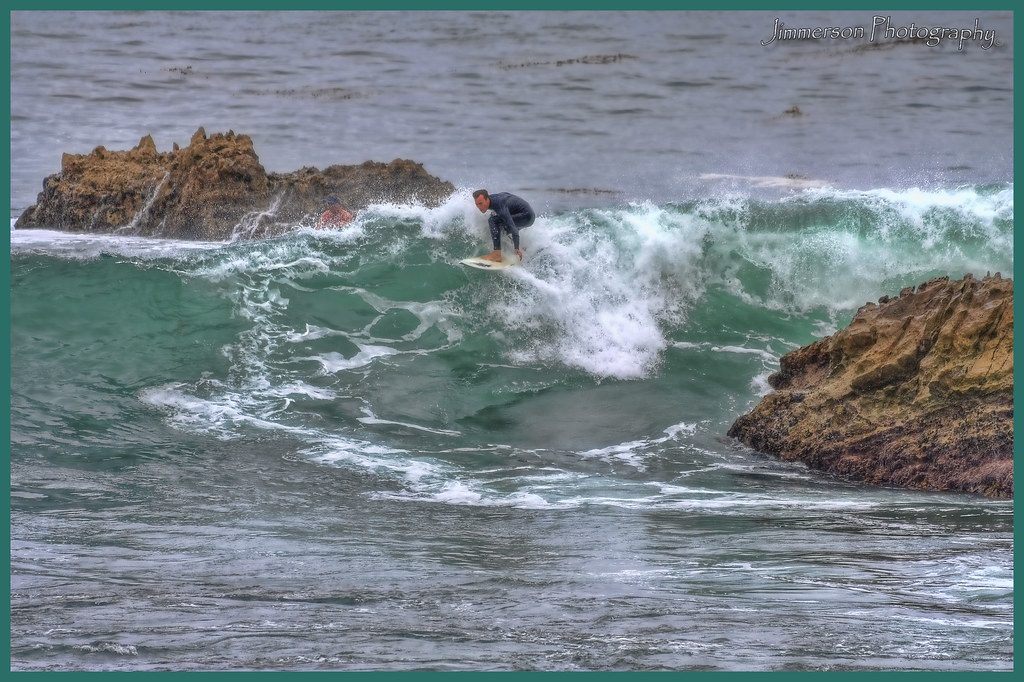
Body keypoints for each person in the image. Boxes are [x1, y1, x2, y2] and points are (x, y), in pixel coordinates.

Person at [473, 189, 535, 261]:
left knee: (492, 220)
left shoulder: (500, 206)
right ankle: (523, 248)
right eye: (476, 204)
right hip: (525, 213)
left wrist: (516, 247)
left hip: (526, 216)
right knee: (502, 229)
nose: (479, 207)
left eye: (480, 203)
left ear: (487, 199)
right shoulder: (493, 199)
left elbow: (513, 227)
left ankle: (497, 254)